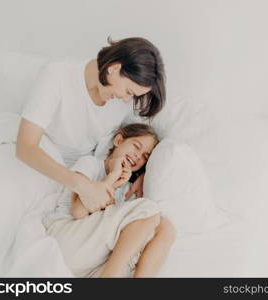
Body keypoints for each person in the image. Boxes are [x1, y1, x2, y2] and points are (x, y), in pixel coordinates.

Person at [16, 36, 166, 213]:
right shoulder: (58, 76)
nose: (127, 99)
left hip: (83, 176)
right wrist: (81, 185)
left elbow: (139, 143)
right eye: (128, 91)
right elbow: (25, 147)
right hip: (42, 164)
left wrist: (143, 175)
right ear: (114, 67)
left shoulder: (121, 103)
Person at [42, 124, 176, 277]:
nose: (138, 156)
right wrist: (111, 177)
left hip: (90, 262)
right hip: (67, 239)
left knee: (166, 228)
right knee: (149, 209)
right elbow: (79, 211)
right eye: (136, 147)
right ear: (118, 141)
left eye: (145, 157)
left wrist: (138, 178)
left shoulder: (126, 189)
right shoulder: (90, 164)